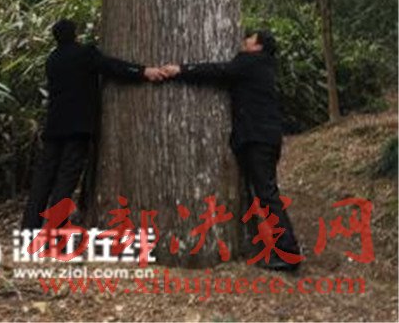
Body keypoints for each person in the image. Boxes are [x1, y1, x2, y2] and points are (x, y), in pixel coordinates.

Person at [162, 29, 301, 270]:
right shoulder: (264, 66)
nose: (244, 41)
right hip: (264, 137)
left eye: (250, 39)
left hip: (258, 138)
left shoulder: (250, 62)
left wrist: (181, 70)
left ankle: (289, 253)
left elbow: (219, 71)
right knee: (262, 193)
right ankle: (278, 247)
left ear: (258, 46)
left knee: (267, 194)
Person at [21, 18, 163, 230]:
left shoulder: (52, 60)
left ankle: (28, 229)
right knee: (65, 180)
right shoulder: (84, 54)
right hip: (77, 127)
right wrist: (143, 71)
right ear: (75, 34)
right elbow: (112, 66)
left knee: (43, 180)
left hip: (54, 128)